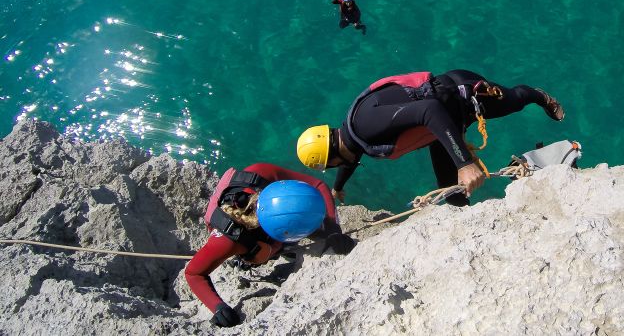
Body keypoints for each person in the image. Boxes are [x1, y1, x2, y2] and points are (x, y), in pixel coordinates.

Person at [296, 70, 564, 207]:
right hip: (442, 128)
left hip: (465, 96)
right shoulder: (352, 136)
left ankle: (538, 95)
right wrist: (338, 186)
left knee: (515, 100)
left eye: (331, 166)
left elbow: (429, 109)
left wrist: (465, 164)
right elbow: (349, 159)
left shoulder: (366, 127)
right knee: (451, 192)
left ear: (332, 157)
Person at [185, 163, 355, 328]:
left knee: (272, 249)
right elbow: (193, 273)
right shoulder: (228, 241)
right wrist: (218, 307)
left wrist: (333, 228)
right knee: (262, 254)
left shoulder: (262, 173)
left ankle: (276, 250)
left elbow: (318, 184)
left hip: (263, 233)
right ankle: (252, 258)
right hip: (246, 241)